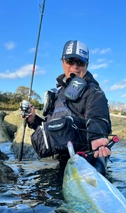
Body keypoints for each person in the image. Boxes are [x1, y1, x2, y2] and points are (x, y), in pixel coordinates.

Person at [22, 40, 112, 175]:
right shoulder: (57, 93)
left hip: (87, 165)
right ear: (63, 61)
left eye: (80, 62)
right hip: (61, 165)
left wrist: (97, 138)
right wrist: (33, 120)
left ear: (86, 65)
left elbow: (97, 116)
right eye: (70, 61)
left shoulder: (94, 92)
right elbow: (53, 128)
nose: (75, 66)